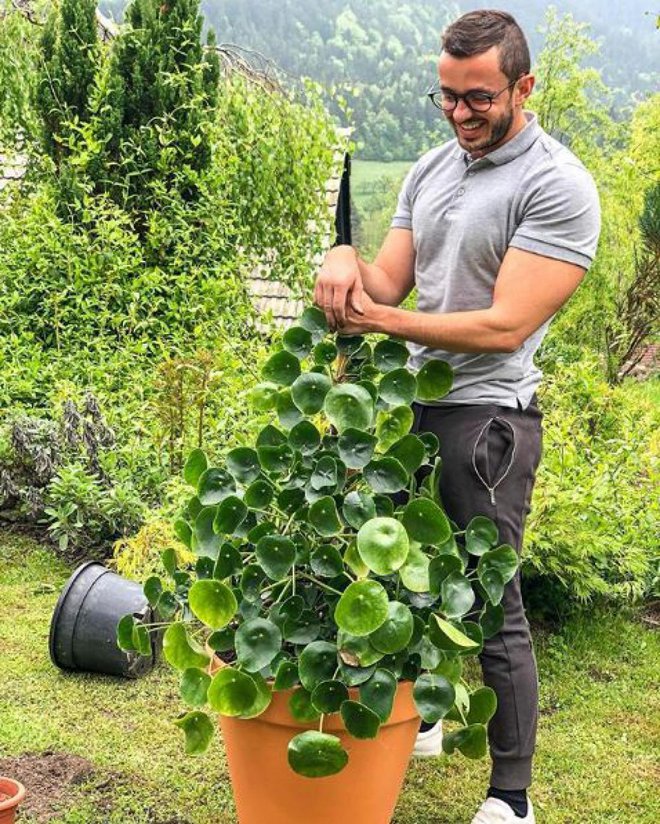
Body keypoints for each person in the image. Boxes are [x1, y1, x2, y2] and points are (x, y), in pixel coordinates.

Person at [313, 9, 601, 824]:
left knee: (489, 597)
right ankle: (426, 714)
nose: (460, 113)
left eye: (478, 98)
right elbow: (386, 284)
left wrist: (381, 325)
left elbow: (505, 323)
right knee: (404, 576)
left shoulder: (557, 184)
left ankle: (511, 797)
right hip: (411, 408)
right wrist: (343, 259)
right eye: (447, 96)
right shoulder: (433, 170)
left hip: (487, 420)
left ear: (522, 86)